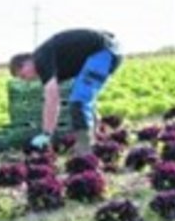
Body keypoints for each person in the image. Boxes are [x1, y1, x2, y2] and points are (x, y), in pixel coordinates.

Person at [9, 29, 122, 157]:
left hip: (103, 50)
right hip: (108, 49)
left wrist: (46, 134)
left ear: (26, 63)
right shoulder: (49, 62)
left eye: (23, 75)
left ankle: (85, 149)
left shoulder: (40, 58)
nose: (27, 80)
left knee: (79, 100)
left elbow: (52, 99)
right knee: (82, 95)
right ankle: (96, 136)